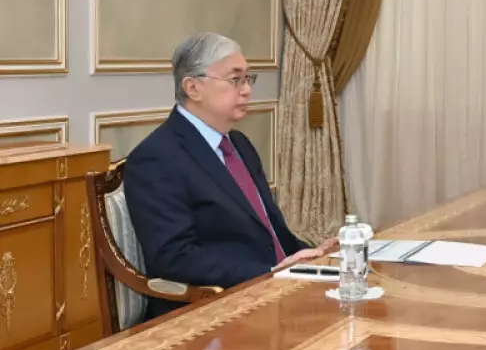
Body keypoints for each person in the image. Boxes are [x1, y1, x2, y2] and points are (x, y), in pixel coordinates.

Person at [125, 32, 336, 320]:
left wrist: (316, 257)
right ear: (193, 88)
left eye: (248, 78)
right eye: (235, 79)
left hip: (275, 293)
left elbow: (271, 234)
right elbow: (174, 258)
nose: (247, 89)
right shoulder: (156, 158)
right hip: (211, 311)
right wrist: (269, 273)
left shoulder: (239, 144)